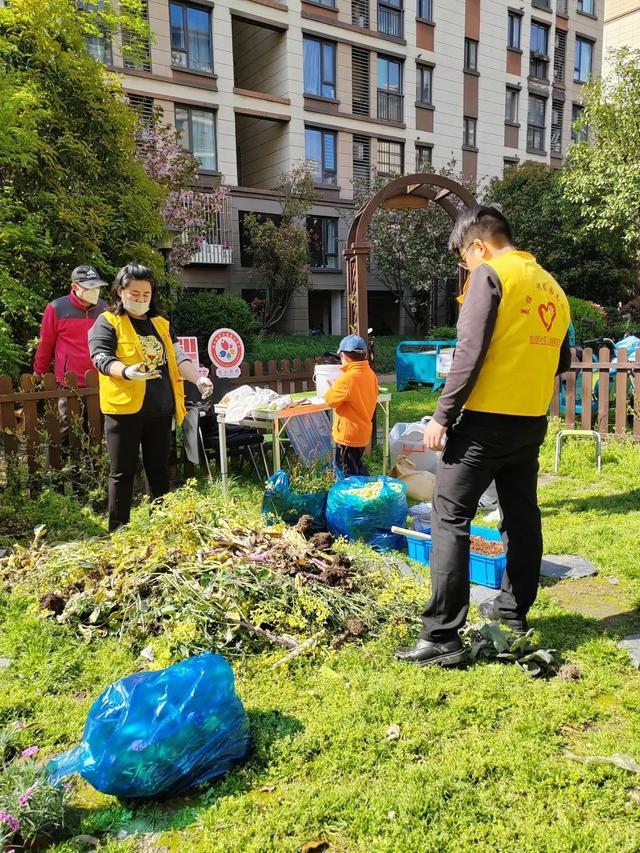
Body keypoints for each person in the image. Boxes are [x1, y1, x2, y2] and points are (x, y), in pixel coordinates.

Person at [394, 205, 571, 667]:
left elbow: (468, 353)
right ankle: (513, 615)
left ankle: (442, 637)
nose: (465, 268)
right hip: (530, 422)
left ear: (478, 244)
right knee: (521, 515)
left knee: (450, 514)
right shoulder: (551, 285)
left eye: (463, 259)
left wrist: (441, 416)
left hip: (483, 425)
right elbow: (563, 359)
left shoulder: (490, 275)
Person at [88, 263, 213, 532]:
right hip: (124, 412)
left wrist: (198, 378)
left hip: (159, 408)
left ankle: (162, 526)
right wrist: (127, 371)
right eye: (134, 294)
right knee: (122, 473)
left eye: (146, 295)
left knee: (159, 470)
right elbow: (101, 358)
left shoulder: (160, 323)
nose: (141, 300)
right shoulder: (107, 322)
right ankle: (118, 530)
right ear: (120, 291)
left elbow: (178, 357)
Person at [33, 265, 109, 435]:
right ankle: (66, 462)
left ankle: (93, 462)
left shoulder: (105, 309)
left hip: (99, 381)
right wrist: (39, 371)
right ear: (74, 287)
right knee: (67, 430)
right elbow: (46, 343)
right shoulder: (56, 308)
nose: (94, 291)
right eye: (90, 287)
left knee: (96, 431)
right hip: (68, 383)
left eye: (97, 287)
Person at [324, 334, 378, 476]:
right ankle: (367, 488)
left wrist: (333, 388)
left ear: (344, 356)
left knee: (347, 474)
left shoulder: (348, 378)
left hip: (348, 436)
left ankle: (358, 495)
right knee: (356, 466)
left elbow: (330, 400)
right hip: (362, 432)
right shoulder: (370, 374)